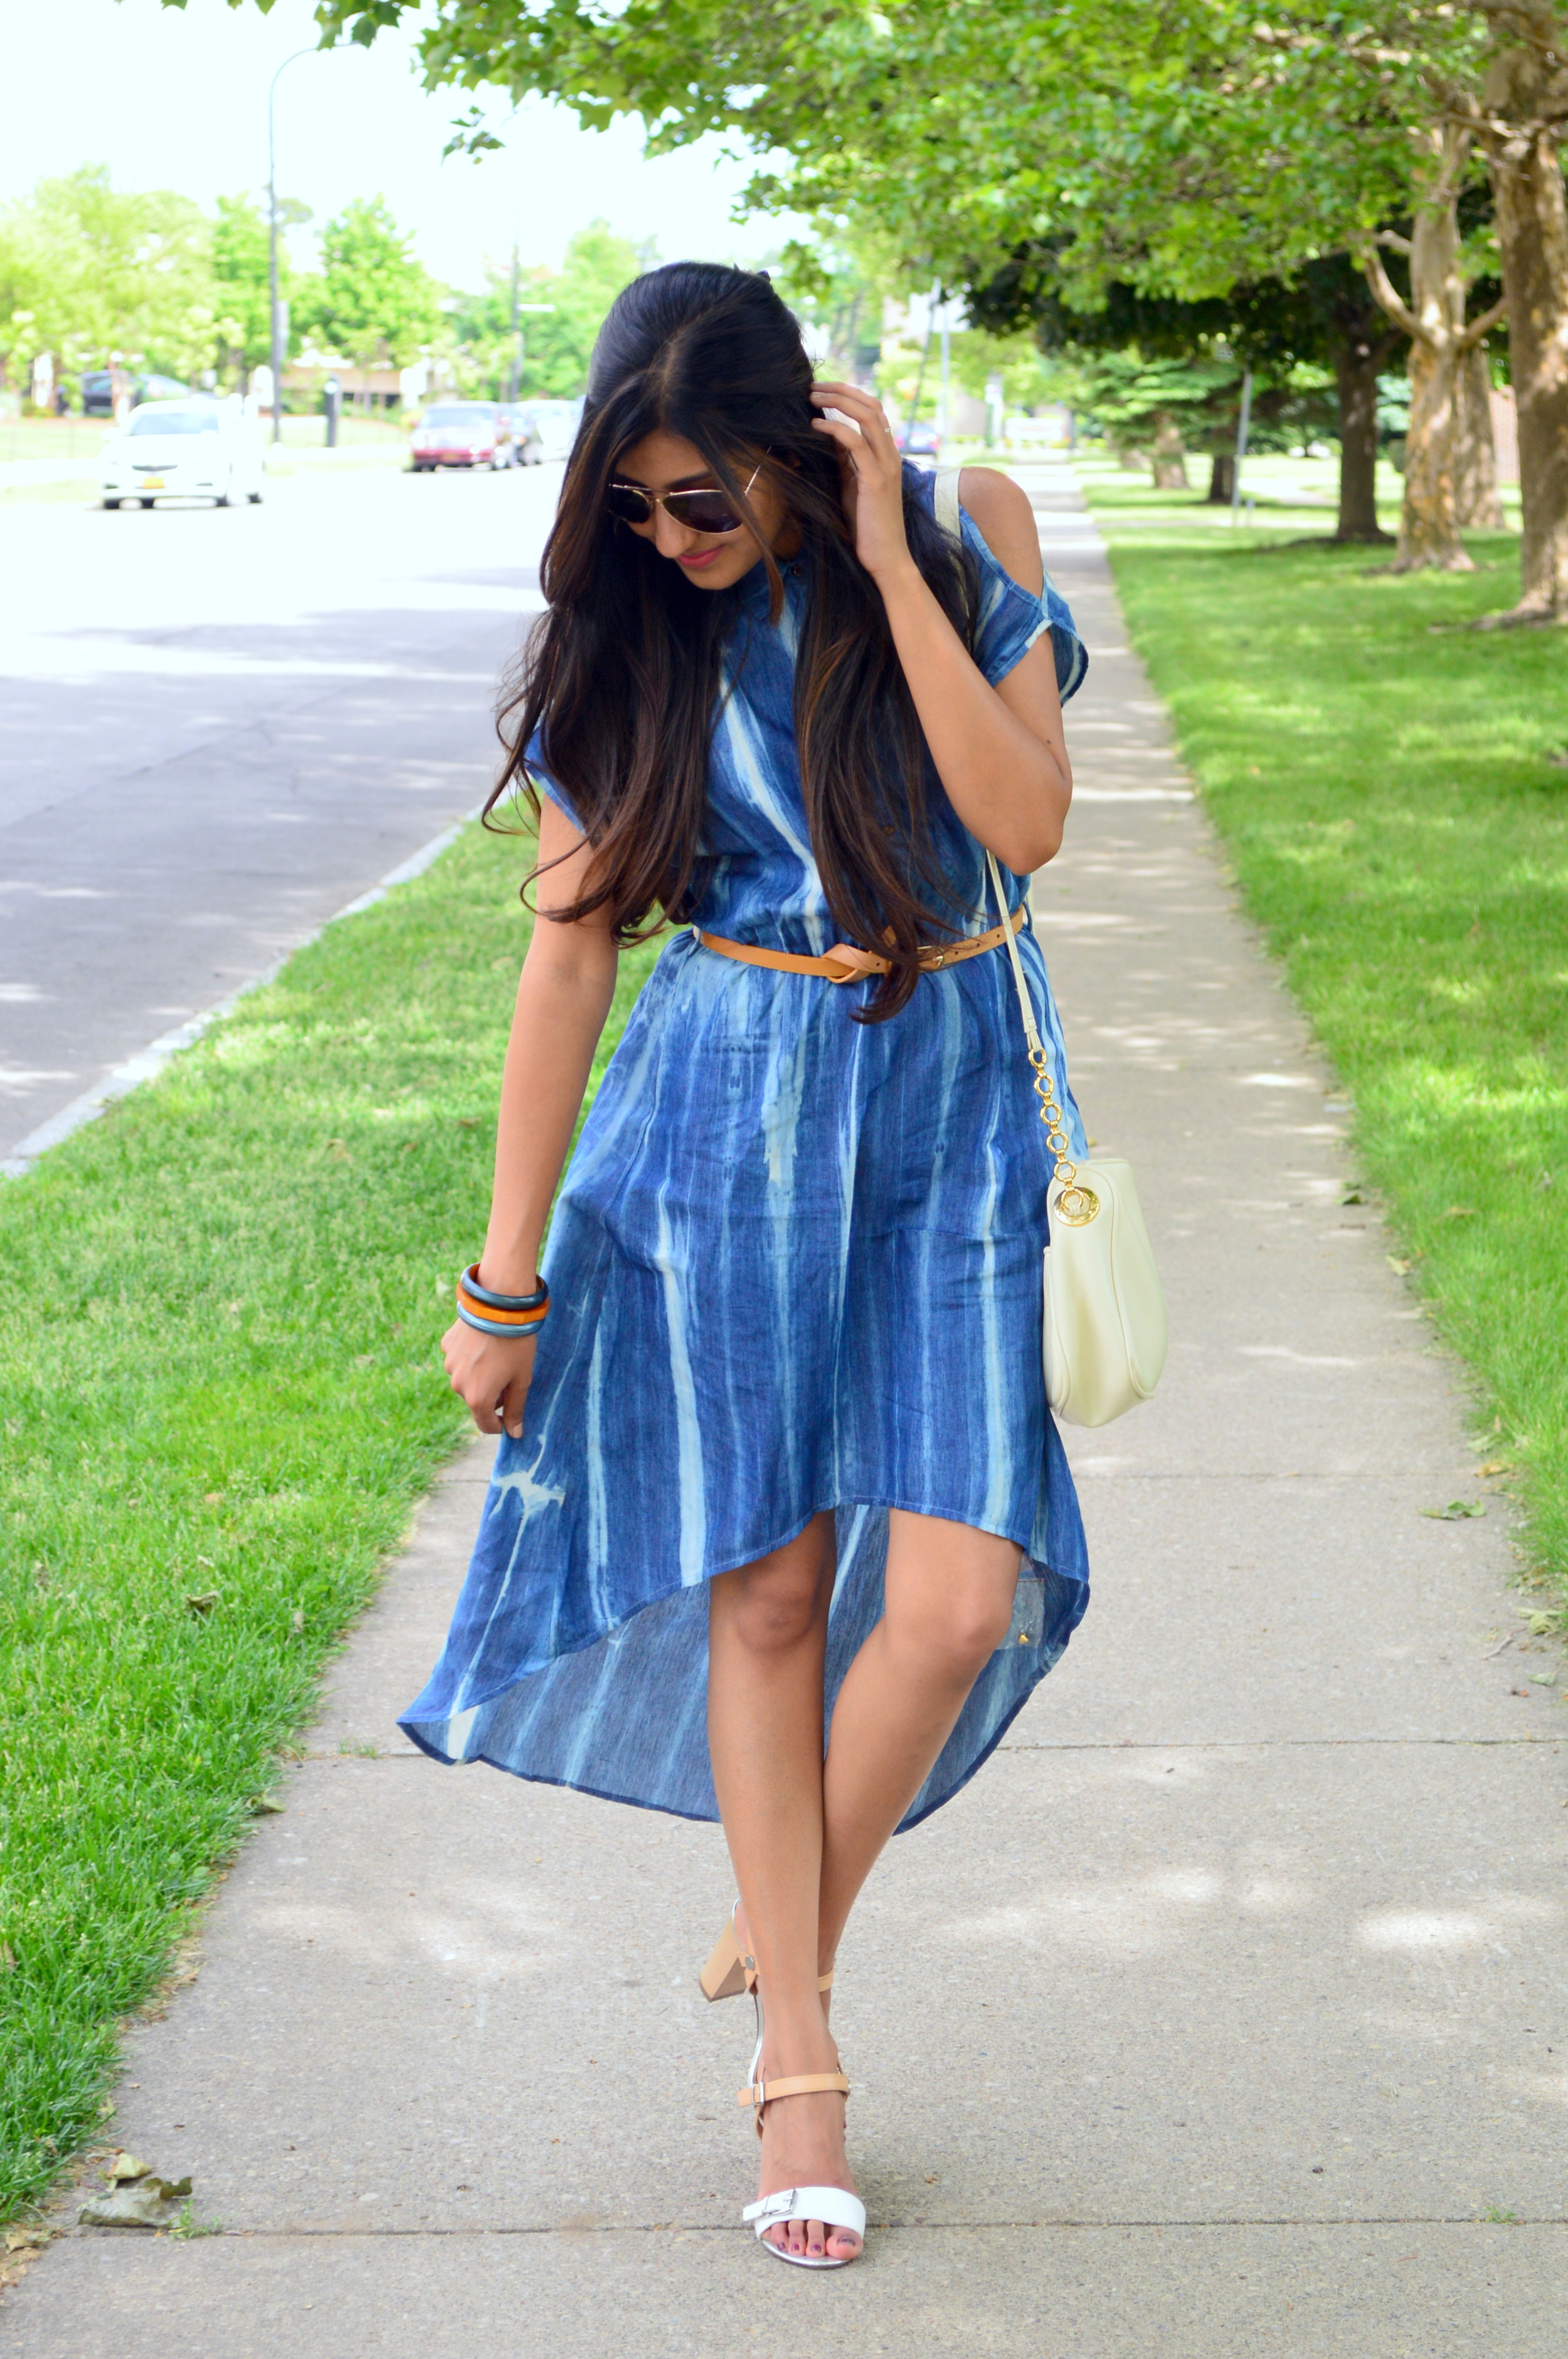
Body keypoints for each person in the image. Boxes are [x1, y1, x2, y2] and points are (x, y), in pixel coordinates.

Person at [401, 262, 1091, 2271]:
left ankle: (787, 1914)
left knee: (953, 1601)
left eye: (701, 499)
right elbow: (567, 958)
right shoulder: (636, 633)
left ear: (801, 448)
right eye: (629, 505)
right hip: (721, 1117)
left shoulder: (960, 531)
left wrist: (884, 559)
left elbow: (1023, 823)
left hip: (950, 1112)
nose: (665, 537)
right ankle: (800, 2056)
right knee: (771, 1595)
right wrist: (503, 1279)